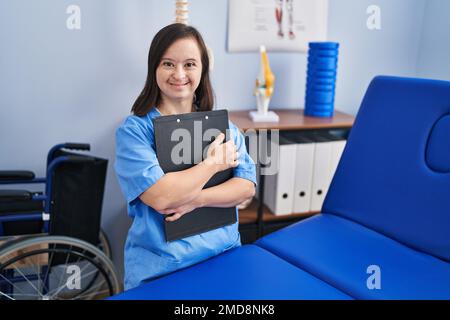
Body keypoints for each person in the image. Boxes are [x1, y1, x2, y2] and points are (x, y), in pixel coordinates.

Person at [115, 23, 257, 290]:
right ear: (154, 68)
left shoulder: (223, 126)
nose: (179, 73)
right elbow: (162, 197)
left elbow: (245, 189)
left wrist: (197, 200)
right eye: (168, 63)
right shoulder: (134, 131)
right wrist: (213, 163)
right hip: (162, 270)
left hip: (224, 257)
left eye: (190, 64)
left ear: (202, 70)